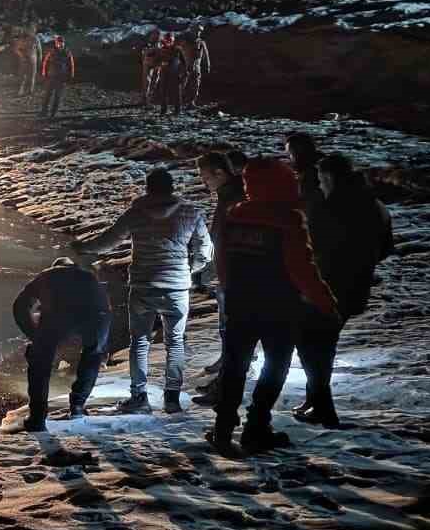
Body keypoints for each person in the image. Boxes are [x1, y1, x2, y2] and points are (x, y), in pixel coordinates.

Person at [207, 159, 342, 456]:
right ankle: (257, 426)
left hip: (240, 304)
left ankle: (222, 428)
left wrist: (230, 291)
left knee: (234, 367)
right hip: (279, 307)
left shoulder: (235, 216)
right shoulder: (288, 220)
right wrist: (326, 302)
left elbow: (222, 261)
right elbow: (302, 269)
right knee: (275, 365)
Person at [72, 168, 212, 414]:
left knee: (140, 342)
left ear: (148, 188)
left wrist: (83, 247)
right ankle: (172, 398)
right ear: (172, 187)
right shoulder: (190, 212)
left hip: (143, 286)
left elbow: (109, 241)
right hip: (176, 287)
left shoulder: (136, 213)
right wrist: (190, 269)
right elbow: (205, 249)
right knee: (175, 342)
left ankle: (139, 397)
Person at [294, 153, 395, 427]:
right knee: (322, 344)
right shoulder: (375, 205)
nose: (320, 185)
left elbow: (313, 247)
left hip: (326, 287)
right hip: (357, 286)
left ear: (329, 177)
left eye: (321, 180)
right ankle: (315, 400)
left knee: (312, 344)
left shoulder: (331, 207)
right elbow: (386, 248)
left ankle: (322, 407)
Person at [13, 257, 112, 432]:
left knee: (40, 360)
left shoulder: (47, 275)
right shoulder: (89, 276)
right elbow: (104, 307)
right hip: (98, 315)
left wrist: (34, 335)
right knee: (92, 355)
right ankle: (78, 407)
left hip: (61, 314)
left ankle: (37, 418)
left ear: (55, 267)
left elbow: (20, 306)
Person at [193, 152, 247, 399]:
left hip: (236, 274)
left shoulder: (234, 197)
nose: (204, 182)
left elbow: (232, 238)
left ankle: (225, 385)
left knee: (235, 330)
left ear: (220, 172)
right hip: (229, 272)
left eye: (206, 177)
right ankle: (226, 373)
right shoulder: (228, 195)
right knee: (230, 328)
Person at [39, 35, 75, 118]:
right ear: (56, 43)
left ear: (64, 43)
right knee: (47, 95)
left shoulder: (67, 52)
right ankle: (44, 111)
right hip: (51, 76)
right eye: (58, 43)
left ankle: (53, 113)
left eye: (61, 43)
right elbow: (45, 62)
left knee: (57, 96)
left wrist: (71, 75)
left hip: (61, 78)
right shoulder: (51, 52)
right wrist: (44, 73)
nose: (60, 44)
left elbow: (71, 64)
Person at [180, 26, 211, 109]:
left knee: (195, 85)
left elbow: (206, 55)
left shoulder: (201, 42)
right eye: (196, 31)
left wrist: (207, 65)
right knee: (183, 84)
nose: (198, 33)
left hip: (197, 67)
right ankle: (180, 102)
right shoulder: (185, 42)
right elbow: (181, 53)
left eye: (199, 31)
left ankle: (191, 102)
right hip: (186, 66)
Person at [157, 34, 186, 115]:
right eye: (167, 39)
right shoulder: (161, 49)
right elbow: (157, 60)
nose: (168, 41)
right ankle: (163, 110)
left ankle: (177, 110)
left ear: (173, 40)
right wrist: (160, 64)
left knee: (176, 92)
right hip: (164, 73)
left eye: (170, 39)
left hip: (175, 73)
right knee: (163, 91)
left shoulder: (177, 49)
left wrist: (183, 73)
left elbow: (183, 62)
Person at [13, 27, 39, 96]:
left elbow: (39, 49)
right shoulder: (22, 39)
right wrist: (22, 55)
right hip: (25, 60)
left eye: (33, 30)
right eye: (30, 30)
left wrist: (39, 58)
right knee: (23, 75)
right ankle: (21, 90)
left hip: (32, 59)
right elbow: (16, 49)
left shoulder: (35, 39)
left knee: (31, 75)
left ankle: (30, 90)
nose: (31, 32)